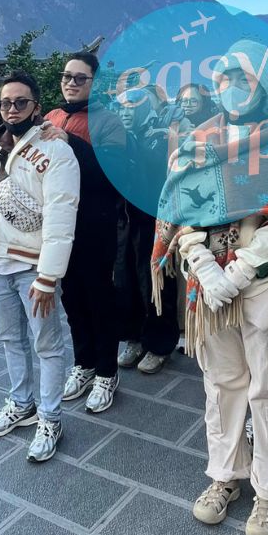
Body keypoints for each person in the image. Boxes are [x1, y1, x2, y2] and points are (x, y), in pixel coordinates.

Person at [153, 40, 268, 535]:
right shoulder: (197, 141)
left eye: (243, 78)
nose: (232, 87)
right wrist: (204, 266)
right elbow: (178, 209)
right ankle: (225, 475)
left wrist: (241, 269)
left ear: (263, 87)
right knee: (222, 384)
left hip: (265, 282)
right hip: (208, 286)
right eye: (225, 77)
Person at [0, 72, 80, 462]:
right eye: (6, 103)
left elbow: (62, 216)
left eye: (20, 102)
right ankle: (22, 403)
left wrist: (49, 277)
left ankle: (50, 418)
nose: (12, 109)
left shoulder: (55, 150)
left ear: (36, 106)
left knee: (47, 344)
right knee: (10, 340)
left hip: (33, 267)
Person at [43, 52, 125, 413]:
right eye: (67, 76)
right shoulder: (51, 116)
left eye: (80, 78)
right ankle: (84, 362)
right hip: (59, 225)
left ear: (95, 83)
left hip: (95, 223)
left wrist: (71, 142)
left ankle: (107, 372)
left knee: (99, 298)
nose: (71, 83)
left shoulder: (108, 121)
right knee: (72, 298)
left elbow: (113, 175)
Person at [113, 88, 179, 374]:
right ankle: (134, 337)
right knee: (124, 279)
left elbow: (157, 175)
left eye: (132, 106)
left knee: (155, 282)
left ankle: (159, 345)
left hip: (153, 221)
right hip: (124, 221)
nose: (126, 112)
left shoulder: (162, 136)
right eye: (122, 108)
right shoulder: (119, 138)